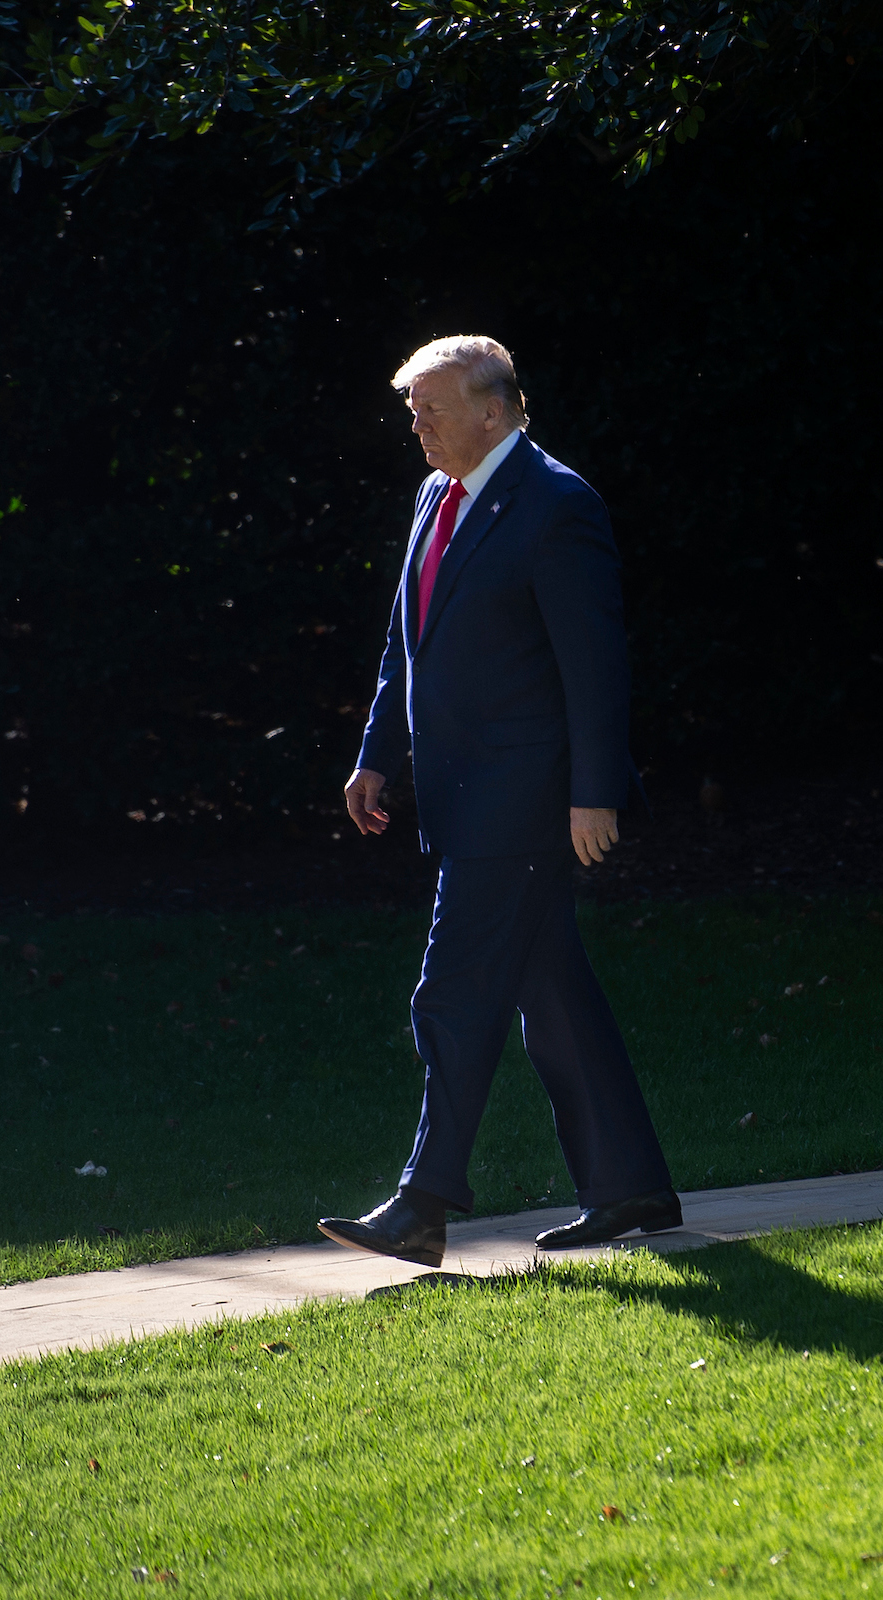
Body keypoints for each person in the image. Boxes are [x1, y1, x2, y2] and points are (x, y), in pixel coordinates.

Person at [318, 335, 680, 1269]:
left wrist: (594, 795)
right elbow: (412, 644)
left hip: (523, 800)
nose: (416, 425)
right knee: (549, 986)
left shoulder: (557, 504)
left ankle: (424, 1202)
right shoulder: (437, 496)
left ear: (493, 409)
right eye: (412, 409)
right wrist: (375, 757)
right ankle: (628, 1182)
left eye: (429, 408)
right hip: (458, 793)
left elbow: (594, 667)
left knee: (453, 992)